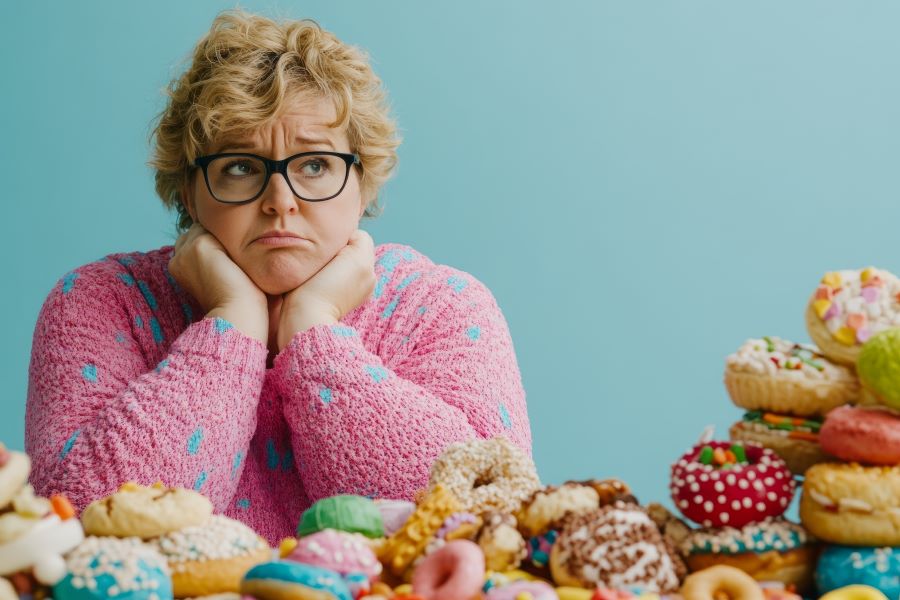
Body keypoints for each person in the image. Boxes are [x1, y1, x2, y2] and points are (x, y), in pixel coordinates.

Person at [24, 9, 531, 545]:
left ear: (362, 181)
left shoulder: (444, 306)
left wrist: (315, 331)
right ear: (189, 191)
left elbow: (490, 528)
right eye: (240, 166)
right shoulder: (102, 304)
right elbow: (75, 529)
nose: (280, 203)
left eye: (314, 165)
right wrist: (232, 324)